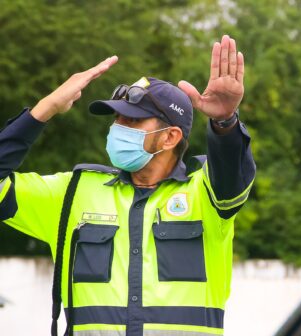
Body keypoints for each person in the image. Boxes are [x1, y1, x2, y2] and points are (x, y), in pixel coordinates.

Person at [0, 34, 255, 336]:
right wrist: (43, 110)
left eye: (133, 121)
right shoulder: (71, 194)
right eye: (118, 119)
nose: (119, 127)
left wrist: (225, 122)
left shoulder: (205, 194)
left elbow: (231, 170)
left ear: (171, 136)